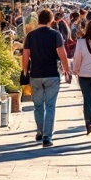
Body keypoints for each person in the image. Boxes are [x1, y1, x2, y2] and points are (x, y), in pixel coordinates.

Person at [22, 8, 71, 147]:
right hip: (52, 75)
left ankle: (40, 130)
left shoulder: (31, 36)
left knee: (38, 106)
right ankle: (47, 137)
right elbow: (62, 54)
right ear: (51, 20)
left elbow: (25, 55)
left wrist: (25, 71)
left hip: (35, 75)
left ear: (39, 20)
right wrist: (67, 71)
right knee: (50, 106)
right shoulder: (55, 35)